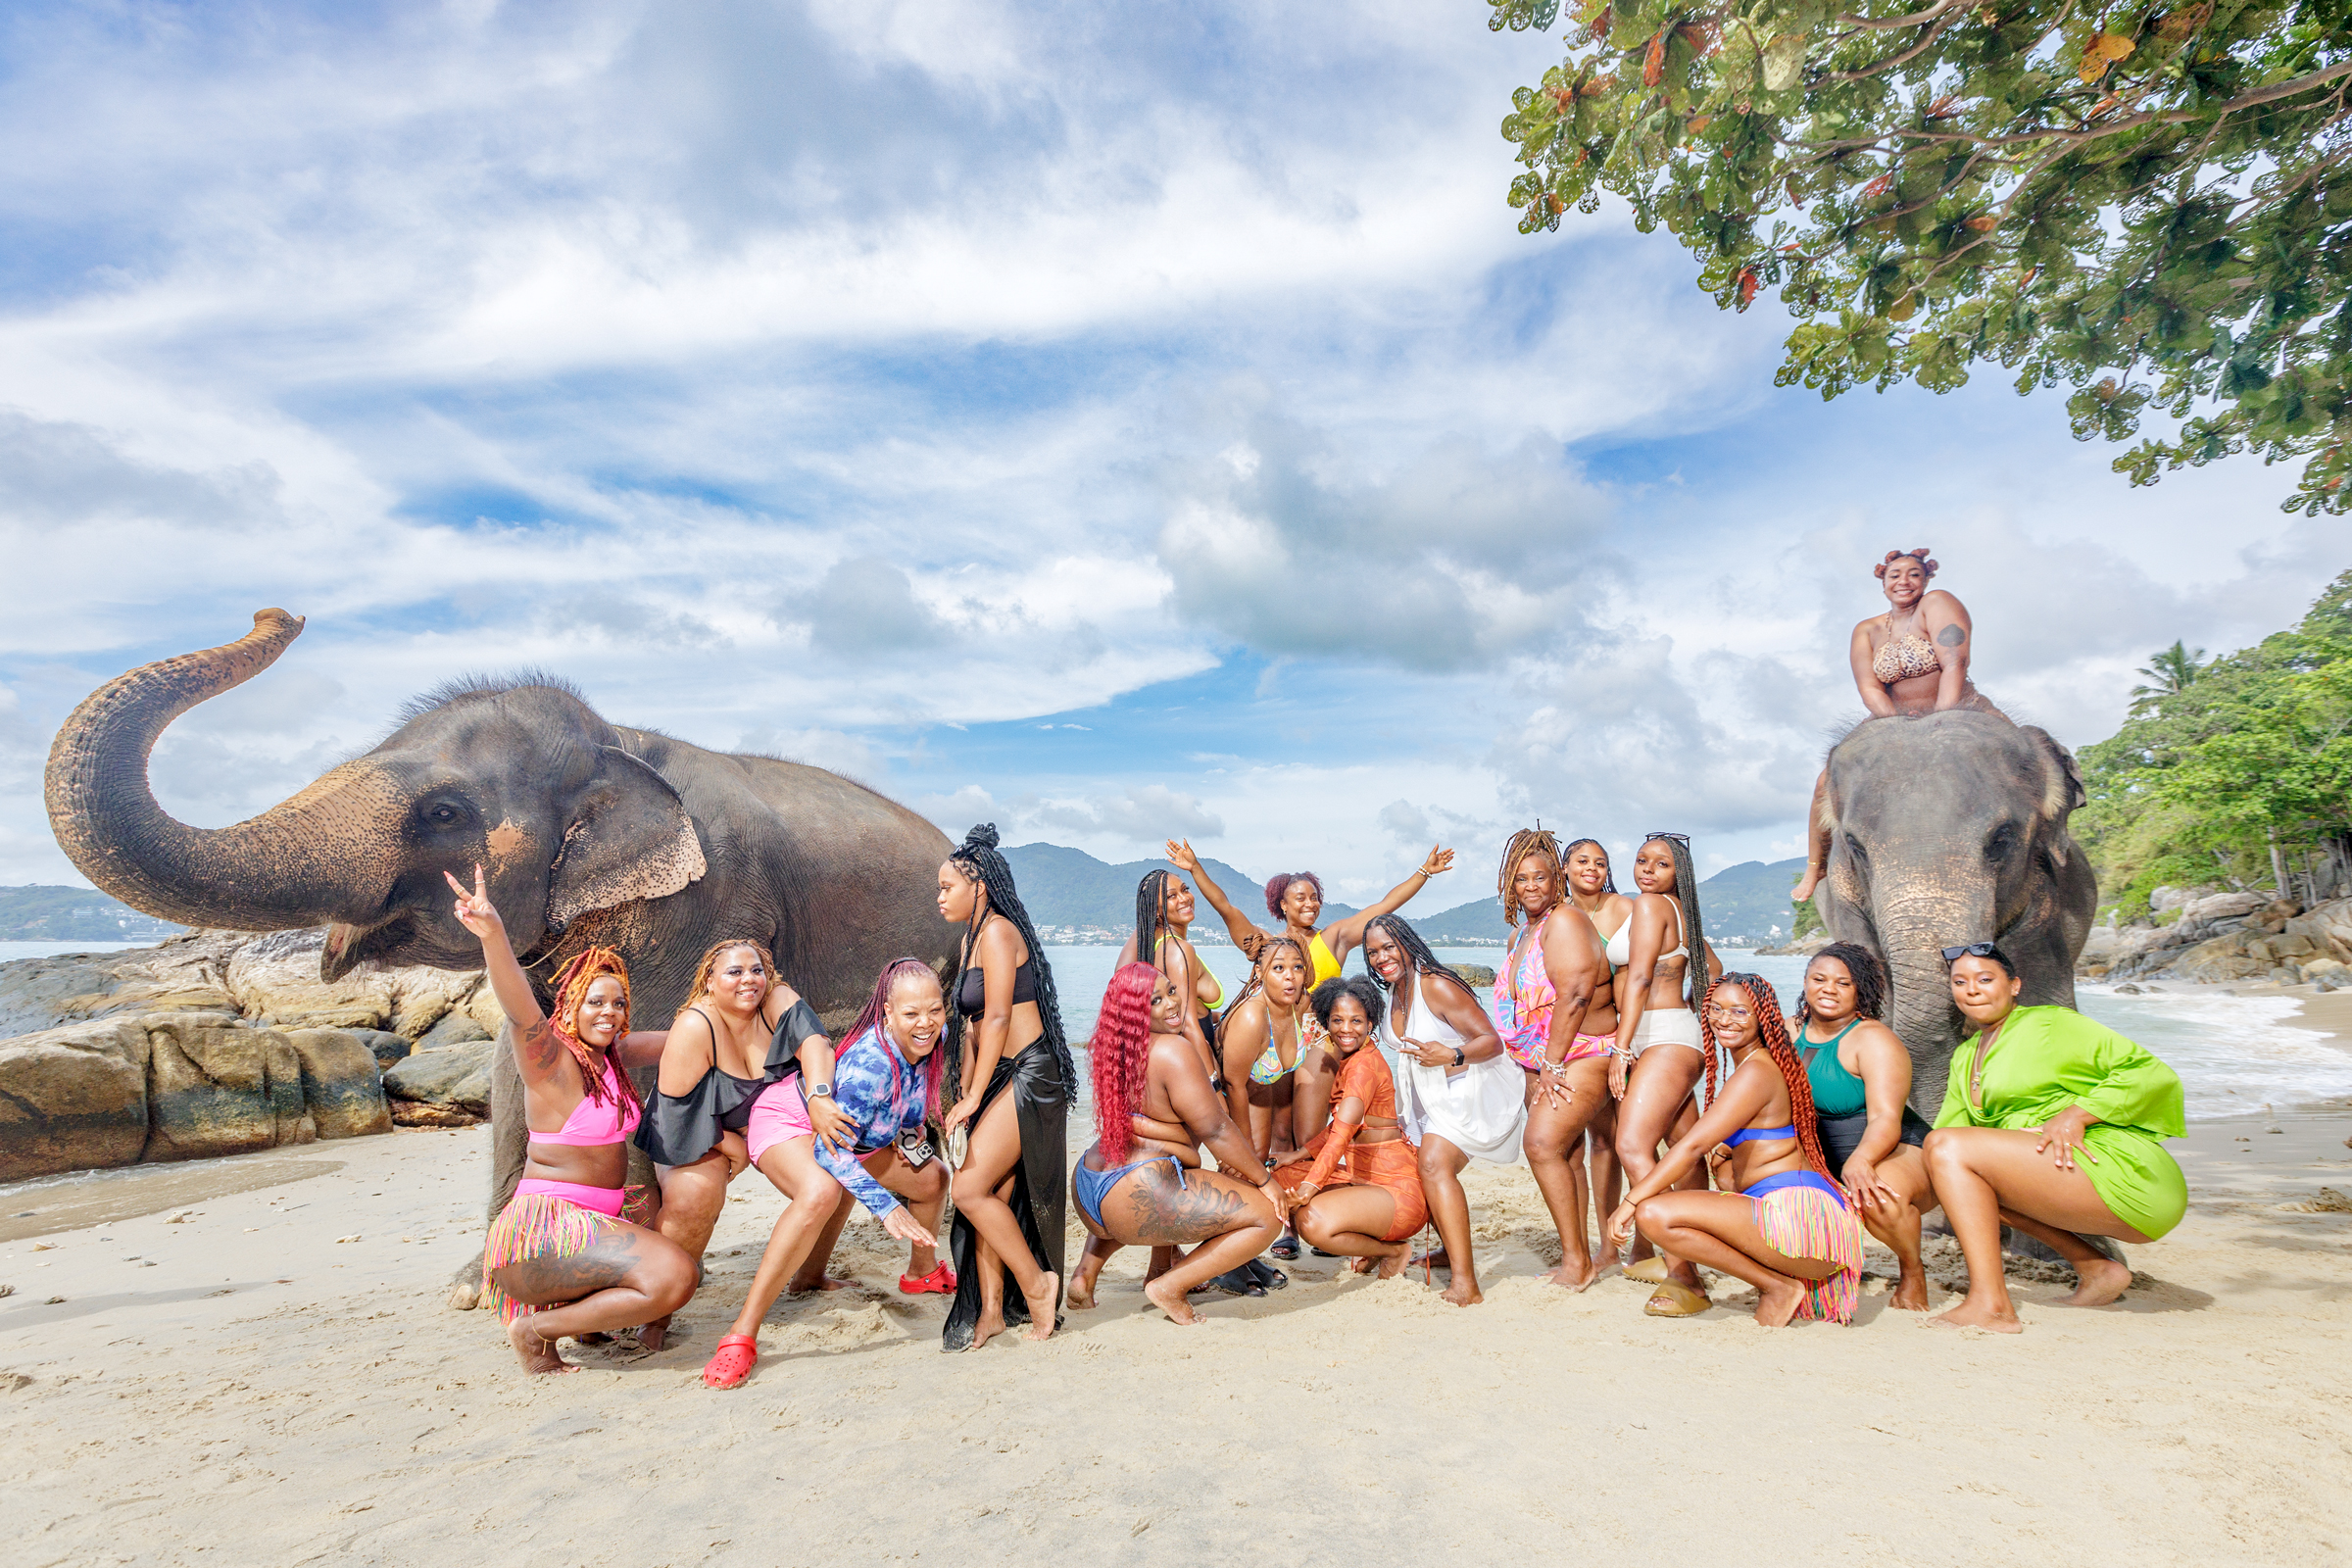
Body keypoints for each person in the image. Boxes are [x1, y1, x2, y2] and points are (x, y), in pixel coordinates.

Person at [446, 865, 696, 1375]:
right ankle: (534, 1331)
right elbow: (519, 1010)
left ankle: (582, 1321)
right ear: (569, 1006)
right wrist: (492, 934)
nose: (608, 1011)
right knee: (675, 1278)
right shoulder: (551, 1062)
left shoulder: (615, 1056)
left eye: (618, 1003)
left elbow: (692, 1040)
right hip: (543, 1237)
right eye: (594, 1001)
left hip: (590, 1227)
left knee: (651, 1208)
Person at [697, 958, 954, 1388]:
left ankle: (918, 1274)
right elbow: (829, 1150)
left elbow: (906, 1100)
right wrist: (887, 1207)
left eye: (935, 1010)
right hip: (790, 1119)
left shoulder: (932, 1038)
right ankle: (742, 1333)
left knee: (933, 1179)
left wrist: (910, 1135)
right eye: (911, 1013)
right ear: (888, 1012)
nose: (925, 1023)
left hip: (849, 1136)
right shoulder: (870, 1067)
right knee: (822, 1191)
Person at [1924, 943, 2187, 1333]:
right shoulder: (1965, 1057)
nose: (1972, 989)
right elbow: (1946, 1137)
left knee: (1947, 1149)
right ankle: (2095, 1268)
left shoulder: (2050, 1024)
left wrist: (2076, 1115)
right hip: (2065, 1180)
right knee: (1953, 1174)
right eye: (1959, 982)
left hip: (2126, 1176)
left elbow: (2150, 1073)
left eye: (1985, 979)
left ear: (2014, 985)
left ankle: (1992, 1305)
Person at [1169, 836, 1455, 1153]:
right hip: (1277, 1038)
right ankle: (1283, 1182)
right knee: (1279, 1134)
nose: (1310, 904)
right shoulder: (1270, 946)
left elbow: (1383, 907)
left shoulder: (1334, 938)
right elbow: (1226, 909)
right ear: (1283, 904)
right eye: (1300, 898)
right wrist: (1195, 868)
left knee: (1305, 1135)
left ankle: (1311, 1174)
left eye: (1315, 897)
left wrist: (1423, 872)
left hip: (1318, 1039)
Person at [1609, 973, 1866, 1326]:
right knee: (1723, 1174)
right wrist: (1724, 1154)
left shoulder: (1756, 1071)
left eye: (1740, 1011)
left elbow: (1692, 1145)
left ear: (1763, 1017)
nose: (1724, 1019)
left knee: (1653, 1214)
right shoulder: (1761, 1063)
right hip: (1811, 1224)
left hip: (1798, 1222)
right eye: (1716, 1009)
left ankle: (1777, 1286)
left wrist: (1630, 1202)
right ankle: (1777, 1282)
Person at [632, 938, 845, 1349]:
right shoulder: (696, 1026)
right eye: (734, 972)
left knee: (840, 1153)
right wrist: (734, 1148)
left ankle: (810, 1273)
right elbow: (674, 1121)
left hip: (769, 1121)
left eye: (756, 970)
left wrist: (820, 1096)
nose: (749, 980)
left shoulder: (776, 999)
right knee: (695, 1197)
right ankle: (656, 1314)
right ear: (709, 981)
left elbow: (816, 1043)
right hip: (698, 1128)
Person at [1066, 963, 1290, 1324]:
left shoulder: (1118, 1051)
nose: (1171, 1003)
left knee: (1172, 1176)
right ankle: (1170, 1286)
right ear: (1136, 1013)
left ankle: (1085, 1276)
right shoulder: (1172, 1049)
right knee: (1266, 1216)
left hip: (1089, 1189)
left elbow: (1154, 1130)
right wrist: (1265, 1181)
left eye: (1171, 991)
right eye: (1155, 1001)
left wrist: (1176, 1142)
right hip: (1136, 1193)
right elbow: (1215, 1129)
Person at [1794, 547, 2008, 903]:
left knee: (2028, 764)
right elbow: (1869, 688)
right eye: (1895, 575)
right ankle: (1816, 865)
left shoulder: (1936, 603)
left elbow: (1954, 663)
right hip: (1891, 718)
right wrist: (1895, 727)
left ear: (1926, 579)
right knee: (1824, 783)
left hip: (1959, 710)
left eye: (1914, 574)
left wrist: (1943, 721)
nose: (1903, 581)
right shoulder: (1867, 629)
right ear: (1883, 582)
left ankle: (2044, 851)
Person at [938, 824, 1072, 1351]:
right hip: (1001, 1075)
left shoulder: (997, 932)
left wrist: (975, 1096)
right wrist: (967, 1091)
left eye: (947, 886)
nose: (939, 896)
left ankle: (1038, 1285)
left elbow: (997, 1018)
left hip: (1031, 1074)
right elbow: (973, 1030)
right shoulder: (970, 937)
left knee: (968, 1190)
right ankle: (992, 1311)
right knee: (992, 1194)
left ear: (979, 887)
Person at [1364, 915, 1520, 1306]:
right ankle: (1450, 1252)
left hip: (1469, 1090)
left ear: (1407, 943)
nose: (1382, 957)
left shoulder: (1436, 985)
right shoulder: (1395, 992)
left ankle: (1467, 1284)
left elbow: (1492, 1041)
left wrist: (1453, 1054)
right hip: (1425, 1097)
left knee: (1434, 1165)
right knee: (1420, 1168)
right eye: (1373, 952)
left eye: (1389, 947)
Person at [1489, 828, 1615, 1292]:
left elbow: (1577, 993)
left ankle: (1578, 1262)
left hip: (1580, 1052)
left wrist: (1552, 1064)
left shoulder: (1565, 921)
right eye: (1521, 879)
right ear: (1510, 885)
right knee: (1568, 1152)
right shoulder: (1521, 934)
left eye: (1540, 877)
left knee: (1542, 1146)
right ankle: (1578, 1256)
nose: (1531, 886)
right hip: (1538, 1058)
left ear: (1556, 879)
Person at [1608, 832, 1723, 1310]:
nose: (1648, 870)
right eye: (1642, 860)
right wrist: (1691, 1014)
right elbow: (1714, 969)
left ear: (1680, 873)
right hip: (1672, 1033)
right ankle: (1693, 1248)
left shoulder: (1652, 905)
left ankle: (1686, 1277)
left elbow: (1638, 977)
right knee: (1684, 1151)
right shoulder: (1681, 913)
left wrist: (1620, 1047)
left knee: (1632, 1146)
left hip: (1659, 1037)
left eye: (1662, 864)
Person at [1794, 942, 1939, 1310]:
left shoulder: (1873, 1039)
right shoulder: (1790, 1029)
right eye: (1819, 979)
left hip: (1892, 1148)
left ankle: (1912, 1271)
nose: (1829, 989)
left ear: (1861, 990)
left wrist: (1861, 1160)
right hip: (1823, 1156)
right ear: (1806, 982)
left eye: (1843, 983)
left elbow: (1886, 1118)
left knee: (1876, 1196)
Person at [1275, 977, 1430, 1276]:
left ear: (1370, 1023)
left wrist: (1308, 1190)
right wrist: (1296, 1156)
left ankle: (1393, 1251)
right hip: (1363, 1178)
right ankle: (1370, 1243)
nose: (1346, 1029)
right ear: (1326, 1022)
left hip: (1397, 1193)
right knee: (1281, 1175)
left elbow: (1342, 1136)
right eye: (1337, 1020)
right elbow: (1338, 1125)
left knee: (1311, 1222)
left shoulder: (1362, 1067)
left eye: (1356, 1021)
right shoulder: (1354, 1057)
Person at [1562, 836, 1630, 1255]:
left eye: (1600, 862)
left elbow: (1655, 967)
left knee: (1616, 1143)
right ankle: (1588, 1247)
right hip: (1568, 1046)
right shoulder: (1556, 914)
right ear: (1565, 868)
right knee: (1577, 1144)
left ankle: (1617, 1246)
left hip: (1614, 1040)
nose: (1591, 868)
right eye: (1582, 861)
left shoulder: (1622, 909)